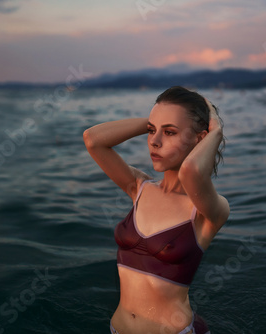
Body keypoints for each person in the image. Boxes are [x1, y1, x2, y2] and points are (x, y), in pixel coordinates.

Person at [83, 86, 230, 334]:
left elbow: (191, 172)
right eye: (152, 132)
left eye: (170, 132)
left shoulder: (208, 212)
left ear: (200, 139)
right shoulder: (138, 188)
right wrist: (156, 122)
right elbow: (93, 140)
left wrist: (216, 131)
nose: (154, 141)